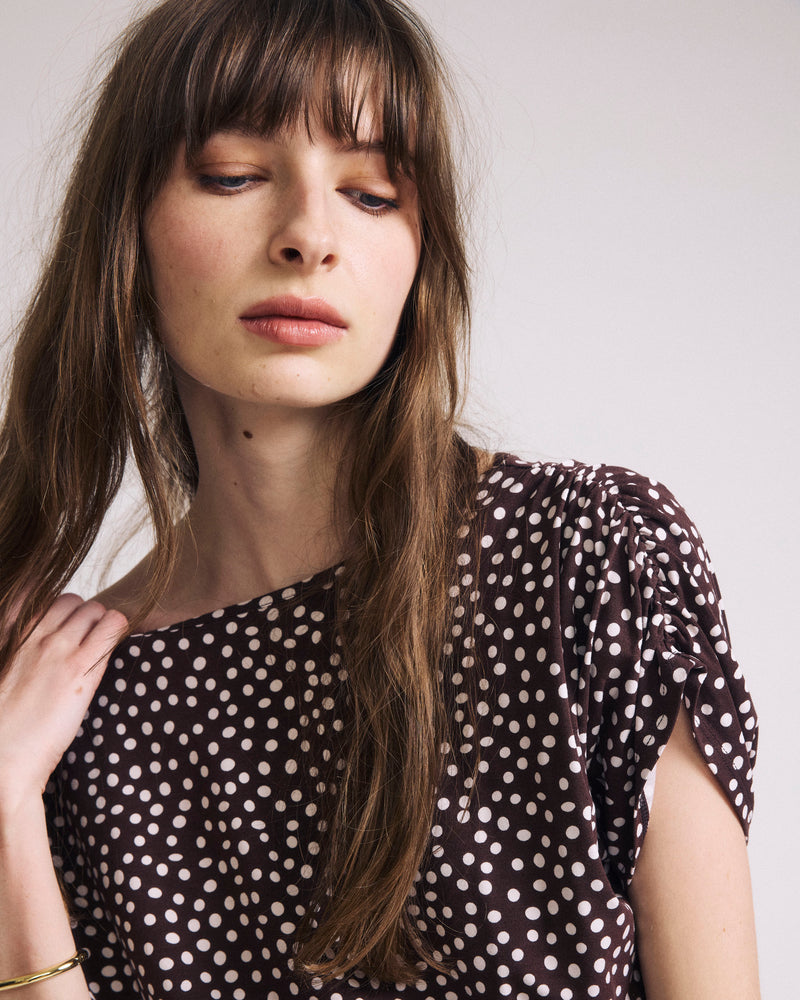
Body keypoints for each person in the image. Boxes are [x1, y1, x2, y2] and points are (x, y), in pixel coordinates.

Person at [0, 0, 760, 997]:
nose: (309, 236)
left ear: (419, 252)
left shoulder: (586, 561)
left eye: (368, 192)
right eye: (233, 176)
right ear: (126, 232)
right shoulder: (63, 701)